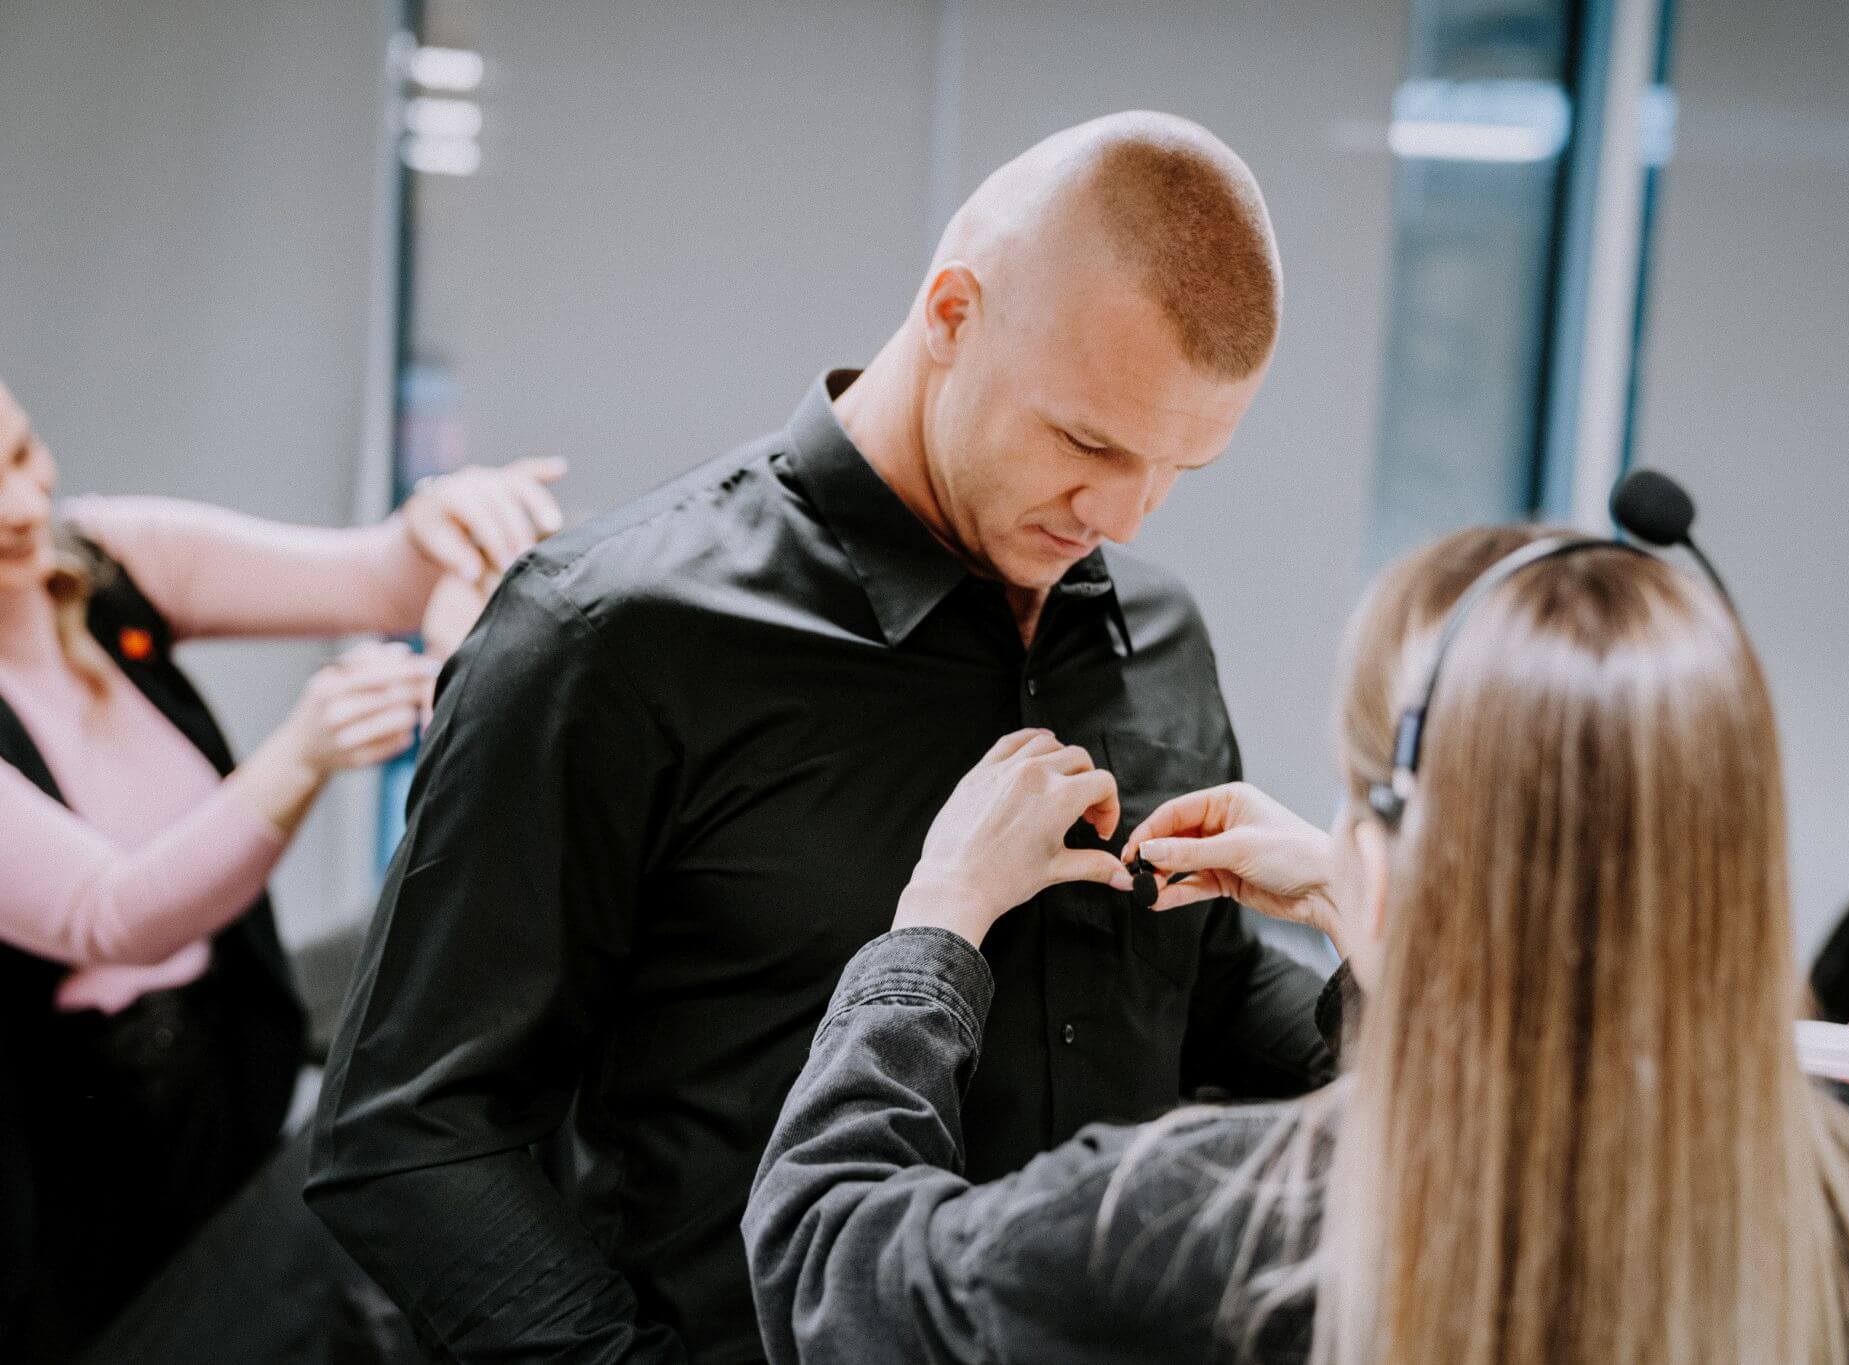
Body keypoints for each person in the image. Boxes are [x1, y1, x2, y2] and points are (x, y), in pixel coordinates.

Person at [307, 111, 1334, 1361]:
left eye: (1178, 467)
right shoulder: (610, 635)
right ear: (951, 316)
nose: (1121, 514)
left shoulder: (1154, 630)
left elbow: (1203, 989)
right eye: (1087, 441)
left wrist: (1397, 965)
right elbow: (410, 1131)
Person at [745, 525, 1849, 1364]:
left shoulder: (1214, 1218)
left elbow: (825, 1264)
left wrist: (937, 920)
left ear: (1388, 849)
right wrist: (1377, 923)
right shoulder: (1825, 1177)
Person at [0, 375, 564, 1357]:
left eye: (19, 454)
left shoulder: (102, 562)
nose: (20, 504)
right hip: (76, 1190)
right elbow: (109, 913)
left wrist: (439, 526)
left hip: (225, 1077)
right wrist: (302, 755)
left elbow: (375, 576)